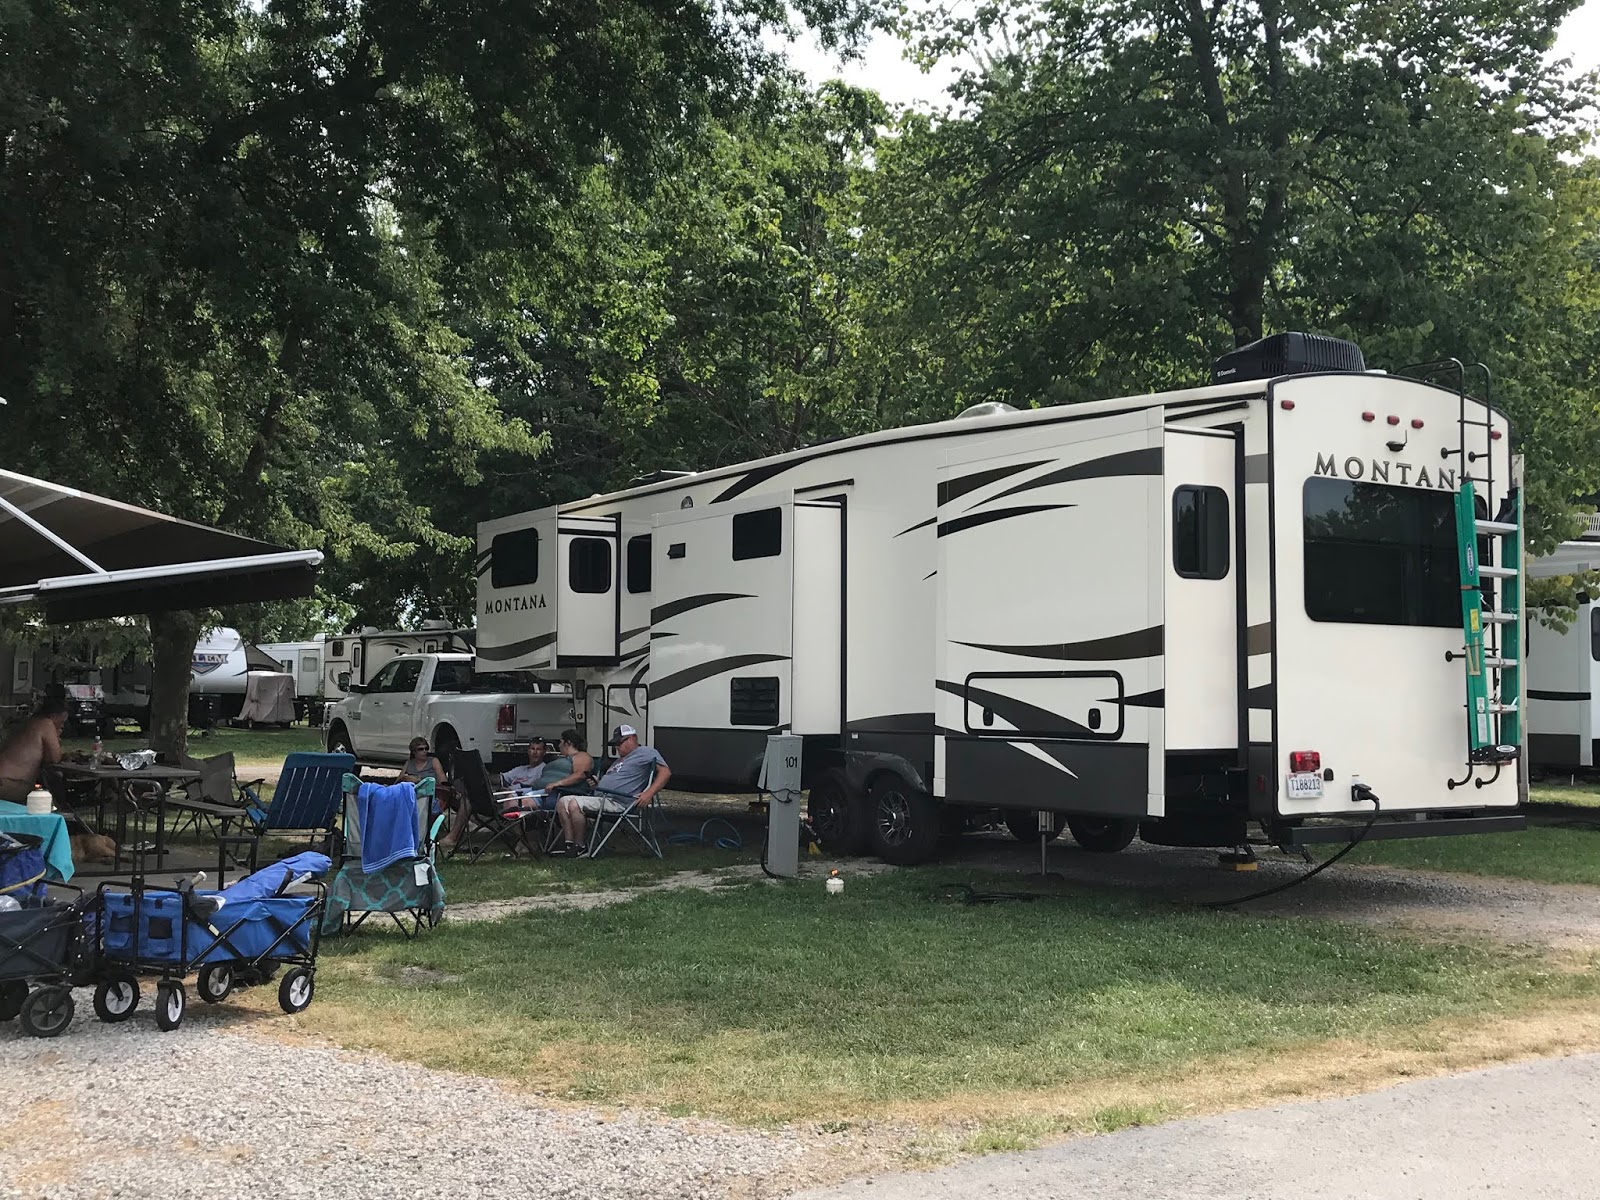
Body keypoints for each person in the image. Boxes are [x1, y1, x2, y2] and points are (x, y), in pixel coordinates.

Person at [554, 725, 669, 856]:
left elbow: (665, 772)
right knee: (563, 802)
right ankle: (569, 845)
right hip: (603, 797)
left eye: (619, 743)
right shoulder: (619, 761)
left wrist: (649, 793)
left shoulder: (646, 752)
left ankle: (580, 846)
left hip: (620, 801)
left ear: (631, 739)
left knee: (574, 804)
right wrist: (597, 784)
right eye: (615, 744)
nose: (617, 747)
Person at [0, 697, 67, 804]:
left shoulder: (29, 723)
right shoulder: (46, 724)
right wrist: (56, 738)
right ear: (53, 716)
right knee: (43, 800)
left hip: (6, 779)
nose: (62, 726)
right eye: (62, 722)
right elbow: (55, 758)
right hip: (10, 782)